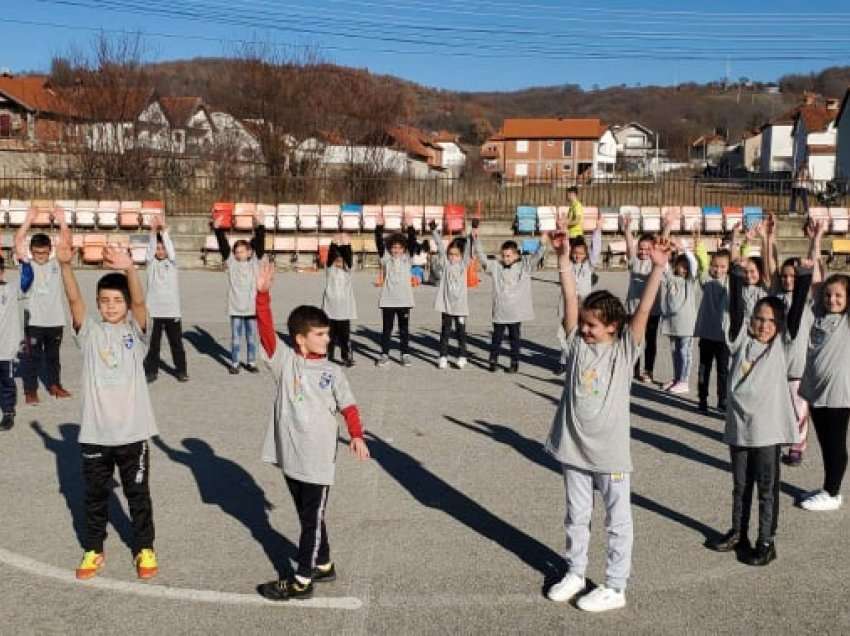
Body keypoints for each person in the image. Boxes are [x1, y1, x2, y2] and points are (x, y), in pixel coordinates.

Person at [545, 233, 669, 612]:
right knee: (576, 516)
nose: (585, 330)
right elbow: (570, 299)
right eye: (584, 324)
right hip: (574, 448)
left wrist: (659, 268)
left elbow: (644, 313)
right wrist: (564, 260)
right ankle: (576, 572)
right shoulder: (578, 345)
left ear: (613, 328)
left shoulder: (624, 350)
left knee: (617, 520)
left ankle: (616, 585)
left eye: (593, 326)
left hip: (611, 455)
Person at [254, 260, 370, 601]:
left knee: (310, 519)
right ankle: (322, 562)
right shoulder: (285, 361)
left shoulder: (333, 372)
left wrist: (357, 435)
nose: (327, 338)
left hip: (318, 459)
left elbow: (348, 406)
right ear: (300, 340)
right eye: (320, 334)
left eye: (328, 332)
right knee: (308, 514)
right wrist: (262, 295)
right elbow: (264, 329)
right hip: (291, 456)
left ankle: (302, 580)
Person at [54, 226, 159, 581]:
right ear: (98, 304)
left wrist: (130, 269)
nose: (111, 307)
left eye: (117, 301)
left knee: (137, 495)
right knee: (95, 497)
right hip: (96, 435)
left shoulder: (136, 333)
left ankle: (144, 547)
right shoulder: (90, 333)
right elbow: (74, 302)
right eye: (105, 301)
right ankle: (94, 549)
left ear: (126, 305)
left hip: (133, 434)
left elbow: (142, 304)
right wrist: (65, 266)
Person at [707, 258, 813, 566]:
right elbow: (737, 313)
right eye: (759, 318)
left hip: (767, 432)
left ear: (778, 327)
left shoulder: (782, 345)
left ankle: (766, 540)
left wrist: (804, 276)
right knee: (740, 485)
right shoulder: (741, 339)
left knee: (767, 488)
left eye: (770, 321)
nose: (764, 325)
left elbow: (793, 319)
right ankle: (739, 531)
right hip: (740, 428)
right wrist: (737, 277)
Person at [798, 270, 850, 512]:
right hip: (817, 392)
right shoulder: (818, 313)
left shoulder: (846, 321)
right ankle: (828, 486)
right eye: (828, 295)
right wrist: (816, 241)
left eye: (839, 295)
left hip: (838, 394)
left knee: (835, 443)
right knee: (824, 442)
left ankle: (833, 492)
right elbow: (816, 286)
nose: (832, 299)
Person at [774, 220, 824, 466]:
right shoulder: (776, 297)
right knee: (778, 406)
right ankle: (778, 438)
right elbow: (769, 268)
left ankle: (797, 445)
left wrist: (815, 240)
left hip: (798, 365)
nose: (788, 280)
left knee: (798, 408)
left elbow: (813, 275)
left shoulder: (807, 300)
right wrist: (768, 239)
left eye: (792, 276)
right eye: (784, 276)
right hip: (777, 364)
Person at [15, 208, 71, 403]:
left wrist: (62, 221)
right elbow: (18, 242)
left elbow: (66, 243)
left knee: (54, 357)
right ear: (31, 251)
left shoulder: (56, 264)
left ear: (50, 250)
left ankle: (55, 385)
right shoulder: (26, 265)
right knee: (32, 358)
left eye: (44, 253)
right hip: (34, 322)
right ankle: (31, 391)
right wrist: (28, 220)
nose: (40, 256)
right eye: (37, 253)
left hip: (56, 320)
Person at [474, 233, 546, 374]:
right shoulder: (496, 266)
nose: (505, 259)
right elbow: (482, 259)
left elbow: (536, 257)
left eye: (508, 256)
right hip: (500, 311)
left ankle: (514, 362)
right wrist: (476, 241)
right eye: (503, 255)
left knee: (515, 339)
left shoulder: (524, 267)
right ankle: (493, 360)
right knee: (496, 338)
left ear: (516, 255)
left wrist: (542, 244)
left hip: (515, 312)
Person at [213, 208, 265, 374]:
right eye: (236, 251)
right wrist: (218, 229)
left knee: (251, 338)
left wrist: (260, 224)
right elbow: (223, 246)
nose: (238, 253)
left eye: (241, 251)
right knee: (236, 339)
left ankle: (251, 361)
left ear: (249, 252)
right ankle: (234, 363)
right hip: (236, 307)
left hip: (251, 308)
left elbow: (260, 242)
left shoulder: (254, 262)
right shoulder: (232, 263)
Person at [143, 215, 188, 383]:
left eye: (163, 249)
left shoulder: (172, 263)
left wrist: (164, 233)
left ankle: (181, 370)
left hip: (172, 311)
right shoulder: (150, 264)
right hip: (154, 311)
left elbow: (171, 250)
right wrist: (154, 233)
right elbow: (149, 251)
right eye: (158, 248)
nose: (160, 251)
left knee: (176, 344)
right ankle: (151, 371)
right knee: (154, 345)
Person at [622, 212, 664, 383]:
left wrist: (667, 225)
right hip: (632, 309)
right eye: (641, 247)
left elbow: (663, 246)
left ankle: (648, 370)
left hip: (652, 309)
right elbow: (630, 246)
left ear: (654, 249)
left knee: (650, 340)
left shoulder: (657, 263)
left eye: (648, 248)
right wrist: (627, 229)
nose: (644, 251)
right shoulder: (634, 261)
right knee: (634, 340)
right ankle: (634, 368)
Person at [374, 218, 418, 367]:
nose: (396, 250)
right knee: (387, 329)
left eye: (399, 247)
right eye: (393, 247)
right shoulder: (386, 260)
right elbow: (379, 244)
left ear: (404, 248)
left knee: (404, 330)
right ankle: (384, 354)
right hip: (388, 301)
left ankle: (404, 354)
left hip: (404, 301)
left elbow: (412, 242)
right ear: (390, 248)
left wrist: (410, 226)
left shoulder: (407, 259)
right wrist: (379, 227)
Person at [659, 237, 700, 394]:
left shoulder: (690, 281)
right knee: (675, 352)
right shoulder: (671, 279)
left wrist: (684, 250)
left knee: (685, 352)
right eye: (680, 267)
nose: (683, 270)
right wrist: (666, 250)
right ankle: (677, 378)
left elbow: (694, 265)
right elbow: (663, 266)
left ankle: (684, 380)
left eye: (685, 268)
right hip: (671, 323)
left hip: (686, 324)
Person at [694, 243, 731, 413]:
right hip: (707, 335)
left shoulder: (730, 283)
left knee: (723, 371)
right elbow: (701, 261)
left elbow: (738, 263)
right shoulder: (706, 280)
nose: (718, 269)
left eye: (723, 266)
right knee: (704, 368)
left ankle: (722, 398)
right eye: (715, 266)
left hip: (723, 337)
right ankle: (702, 397)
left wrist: (739, 241)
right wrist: (698, 244)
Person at [431, 221, 472, 369]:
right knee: (445, 332)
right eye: (450, 254)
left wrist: (468, 234)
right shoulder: (446, 265)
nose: (452, 257)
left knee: (461, 332)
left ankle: (462, 355)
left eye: (456, 255)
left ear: (461, 256)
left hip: (460, 306)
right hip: (446, 305)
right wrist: (434, 231)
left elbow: (468, 251)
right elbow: (440, 247)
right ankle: (442, 356)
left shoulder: (463, 266)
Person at [322, 235, 357, 367]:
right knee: (329, 335)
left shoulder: (348, 271)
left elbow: (348, 258)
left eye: (341, 261)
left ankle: (346, 356)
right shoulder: (330, 270)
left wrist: (347, 245)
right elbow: (330, 258)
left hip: (344, 310)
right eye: (336, 260)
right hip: (330, 309)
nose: (338, 263)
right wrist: (334, 244)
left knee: (344, 336)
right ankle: (327, 355)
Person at [0, 254, 22, 431]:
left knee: (7, 382)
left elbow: (28, 278)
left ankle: (8, 412)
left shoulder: (11, 289)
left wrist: (24, 260)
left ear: (2, 271)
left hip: (5, 349)